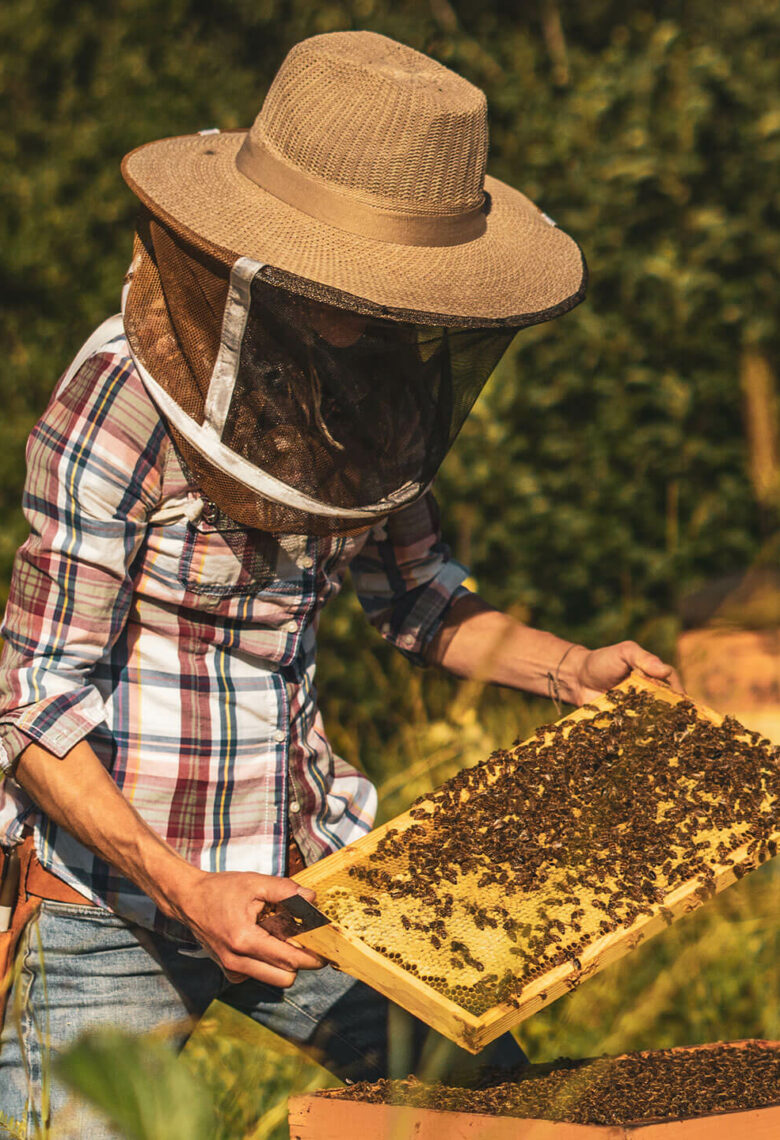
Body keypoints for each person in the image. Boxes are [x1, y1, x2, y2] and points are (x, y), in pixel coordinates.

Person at [0, 30, 680, 1136]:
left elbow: (416, 598)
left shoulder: (373, 389)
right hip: (113, 903)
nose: (367, 312)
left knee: (517, 1119)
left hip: (320, 876)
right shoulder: (117, 398)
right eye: (346, 276)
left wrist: (570, 670)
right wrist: (184, 888)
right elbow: (32, 699)